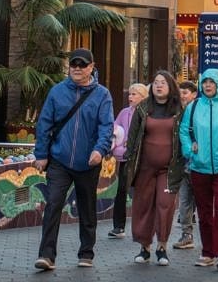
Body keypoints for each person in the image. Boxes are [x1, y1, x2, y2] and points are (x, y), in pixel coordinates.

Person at [32, 48, 115, 271]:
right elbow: (44, 124)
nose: (77, 68)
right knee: (53, 204)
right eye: (74, 64)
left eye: (82, 65)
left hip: (88, 162)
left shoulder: (102, 94)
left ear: (91, 67)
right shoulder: (57, 92)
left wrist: (100, 150)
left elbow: (106, 127)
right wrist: (41, 154)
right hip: (59, 160)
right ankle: (46, 255)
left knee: (87, 208)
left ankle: (86, 252)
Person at [180, 68, 218, 271]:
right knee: (205, 212)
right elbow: (184, 131)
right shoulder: (194, 106)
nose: (207, 85)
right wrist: (190, 150)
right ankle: (207, 252)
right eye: (204, 81)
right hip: (199, 167)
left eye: (211, 82)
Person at [123, 71, 186, 266]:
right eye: (156, 82)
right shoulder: (143, 107)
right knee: (143, 206)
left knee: (165, 205)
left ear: (170, 86)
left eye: (163, 83)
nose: (159, 86)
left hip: (169, 168)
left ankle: (162, 247)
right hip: (144, 168)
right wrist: (128, 159)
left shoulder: (178, 109)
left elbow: (184, 135)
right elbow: (133, 136)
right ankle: (145, 247)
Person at [109, 83, 148, 239]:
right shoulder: (124, 112)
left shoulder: (148, 113)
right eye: (130, 94)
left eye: (134, 94)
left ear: (143, 97)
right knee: (121, 191)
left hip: (143, 159)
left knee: (142, 193)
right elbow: (116, 129)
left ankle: (143, 226)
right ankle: (118, 227)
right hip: (126, 158)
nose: (130, 97)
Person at [172, 81, 199, 251]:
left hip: (199, 162)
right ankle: (186, 234)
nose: (182, 95)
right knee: (184, 199)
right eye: (180, 92)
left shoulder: (200, 110)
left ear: (194, 94)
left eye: (186, 92)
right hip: (181, 162)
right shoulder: (174, 111)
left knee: (199, 199)